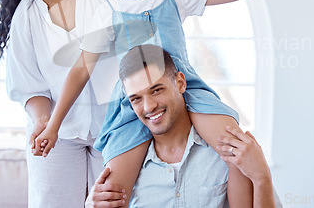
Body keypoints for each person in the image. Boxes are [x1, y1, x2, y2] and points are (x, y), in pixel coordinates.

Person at [0, 0, 270, 207]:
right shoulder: (32, 16)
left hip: (131, 110)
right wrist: (47, 123)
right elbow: (41, 81)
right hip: (70, 128)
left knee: (117, 195)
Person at [87, 44, 278, 207]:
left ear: (180, 83)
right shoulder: (126, 167)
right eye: (136, 99)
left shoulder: (227, 151)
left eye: (157, 90)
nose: (149, 106)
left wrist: (262, 178)